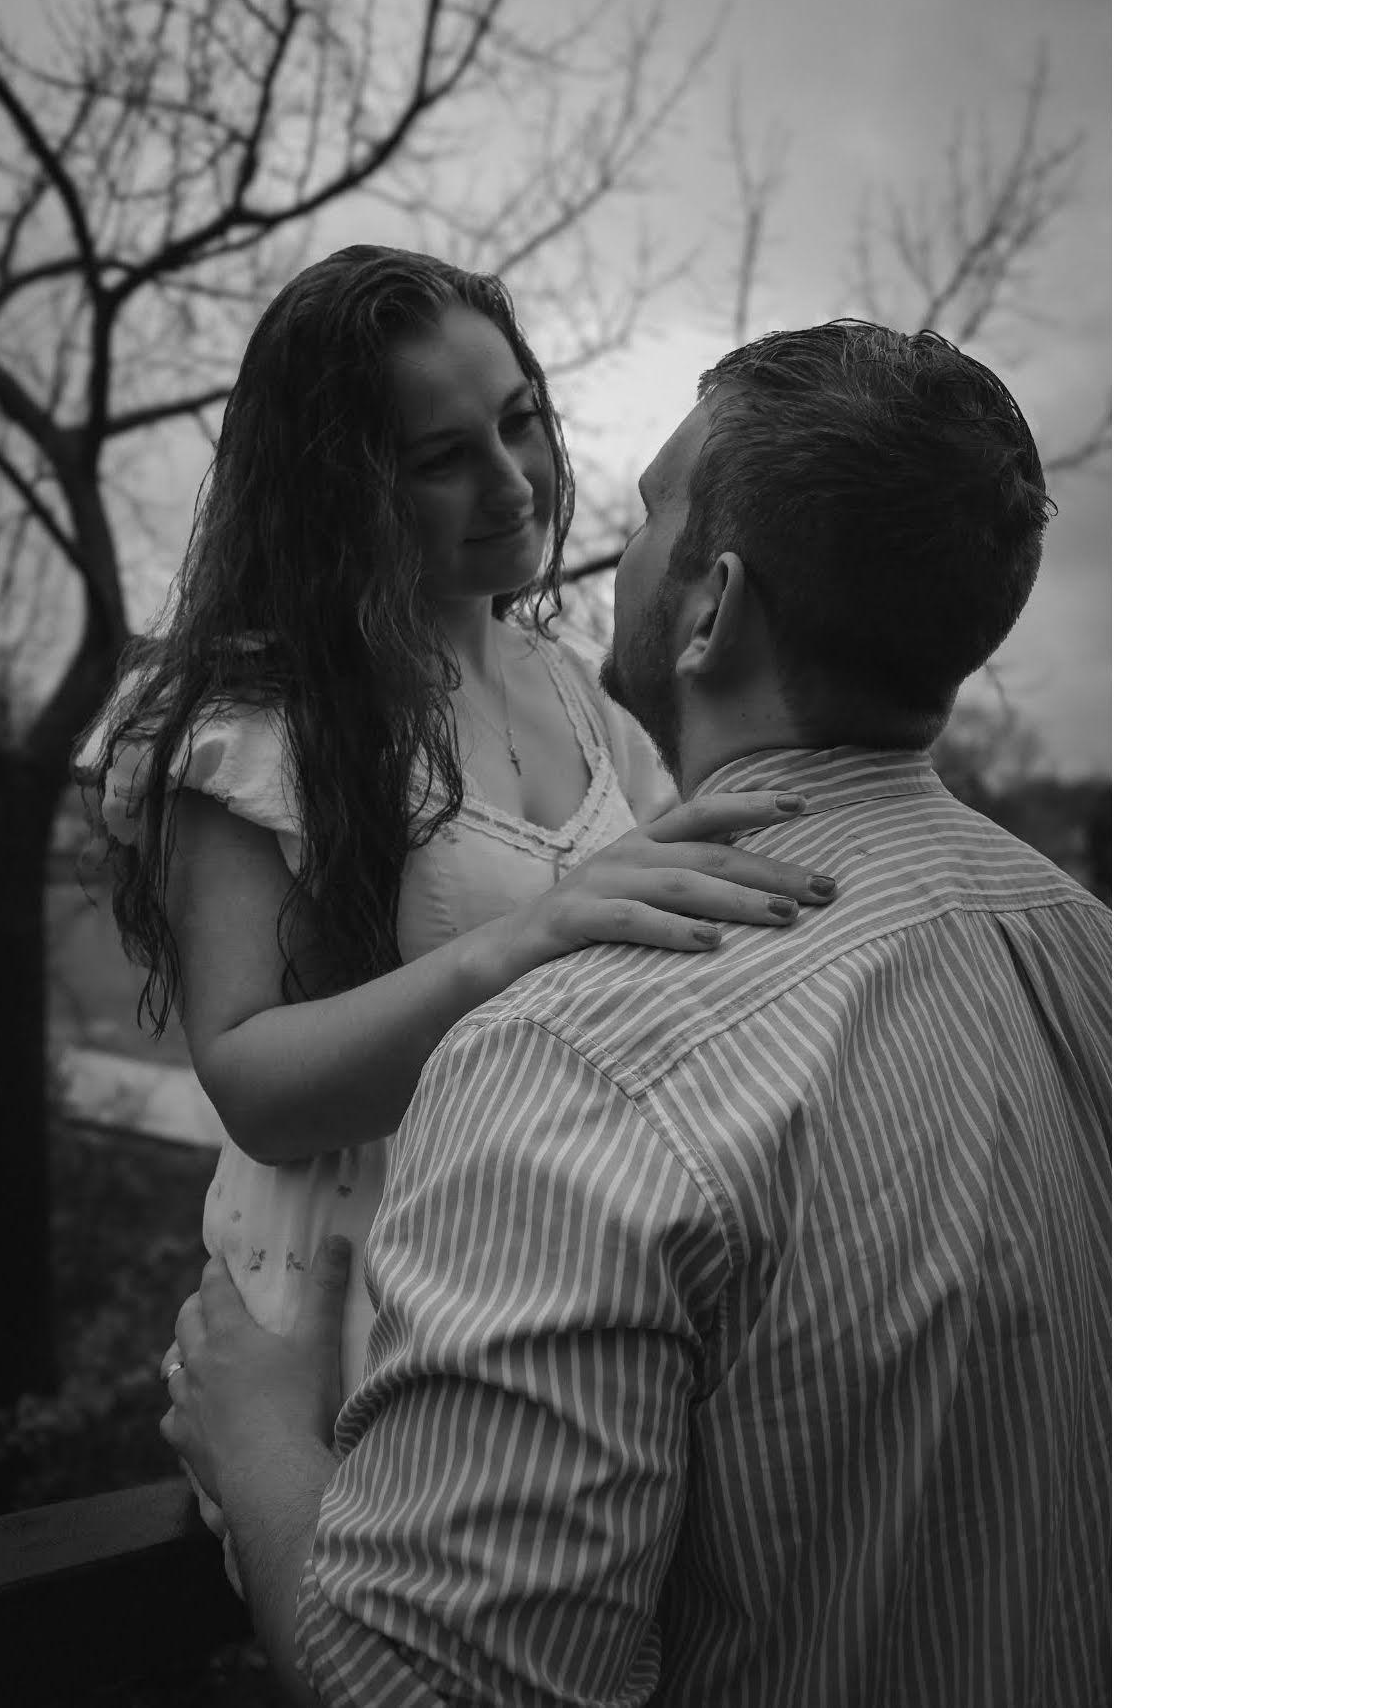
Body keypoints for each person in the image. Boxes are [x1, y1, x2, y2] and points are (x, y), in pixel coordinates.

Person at [163, 319, 1112, 1706]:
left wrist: (257, 1448)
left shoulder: (574, 1064)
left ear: (709, 607)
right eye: (441, 452)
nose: (541, 493)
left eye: (654, 505)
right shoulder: (1088, 948)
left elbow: (427, 1689)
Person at [80, 245, 837, 1407]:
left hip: (551, 1290)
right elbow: (252, 1086)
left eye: (519, 421)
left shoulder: (587, 693)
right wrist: (532, 939)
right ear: (337, 493)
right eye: (442, 459)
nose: (512, 482)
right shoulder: (253, 716)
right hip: (342, 1316)